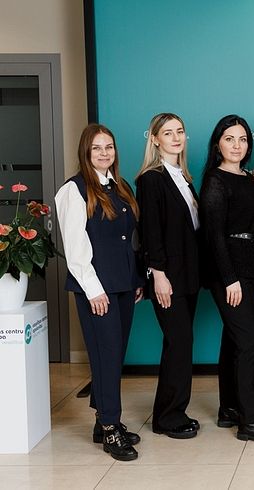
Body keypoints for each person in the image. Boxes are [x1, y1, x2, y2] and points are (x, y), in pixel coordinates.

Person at [55, 123, 144, 461]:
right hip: (96, 289)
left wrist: (136, 280)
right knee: (105, 357)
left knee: (115, 357)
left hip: (123, 285)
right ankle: (110, 429)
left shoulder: (120, 186)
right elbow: (75, 248)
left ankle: (102, 421)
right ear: (86, 152)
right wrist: (94, 290)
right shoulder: (73, 190)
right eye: (97, 148)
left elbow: (128, 240)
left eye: (109, 147)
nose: (104, 153)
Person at [199, 114, 254, 444]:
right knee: (248, 342)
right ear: (217, 144)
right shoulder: (215, 181)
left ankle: (229, 408)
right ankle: (250, 420)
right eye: (229, 139)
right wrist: (229, 279)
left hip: (251, 267)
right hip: (229, 273)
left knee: (234, 341)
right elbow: (214, 236)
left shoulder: (247, 177)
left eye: (243, 139)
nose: (237, 145)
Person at [136, 113, 201, 439]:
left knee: (179, 343)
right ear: (155, 139)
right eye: (168, 133)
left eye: (180, 131)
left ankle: (172, 411)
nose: (176, 138)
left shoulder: (183, 177)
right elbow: (150, 232)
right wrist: (158, 275)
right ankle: (168, 417)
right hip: (168, 277)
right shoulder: (151, 179)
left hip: (187, 275)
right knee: (179, 342)